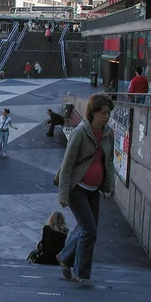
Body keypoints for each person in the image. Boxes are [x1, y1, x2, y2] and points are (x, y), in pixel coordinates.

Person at [56, 93, 115, 287]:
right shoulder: (80, 133)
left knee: (87, 229)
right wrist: (63, 194)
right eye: (103, 112)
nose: (106, 116)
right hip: (77, 189)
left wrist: (109, 186)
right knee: (90, 231)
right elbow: (67, 165)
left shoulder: (108, 133)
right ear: (93, 112)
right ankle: (81, 273)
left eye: (108, 113)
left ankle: (65, 257)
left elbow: (108, 162)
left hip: (93, 190)